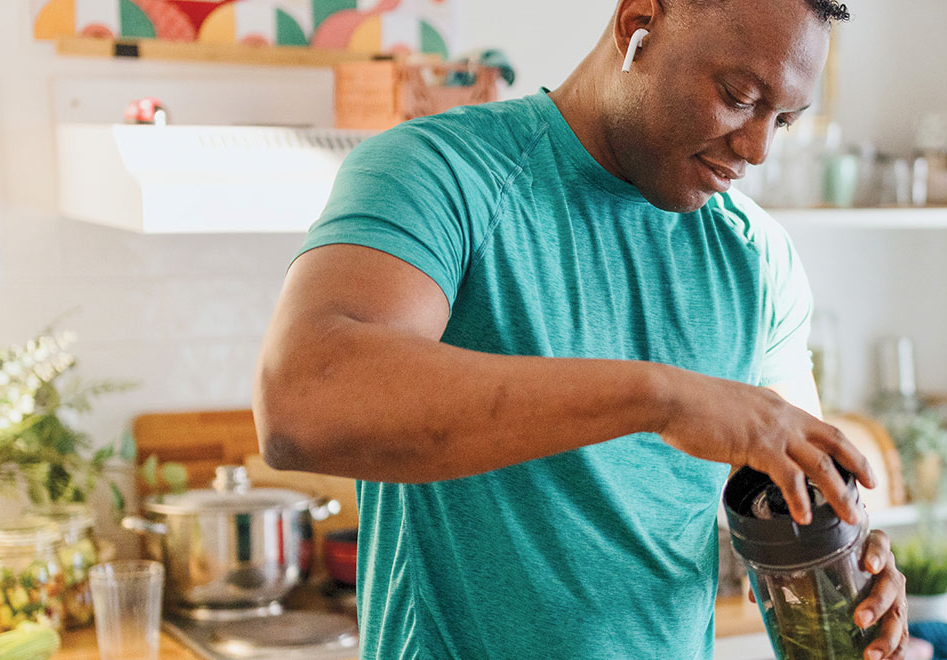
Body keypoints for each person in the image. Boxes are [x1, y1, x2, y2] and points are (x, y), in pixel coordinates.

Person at [253, 0, 909, 658]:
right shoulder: (439, 172)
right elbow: (304, 400)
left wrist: (847, 565)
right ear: (637, 26)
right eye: (739, 96)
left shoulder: (756, 256)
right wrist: (661, 398)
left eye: (784, 120)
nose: (758, 148)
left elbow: (798, 498)